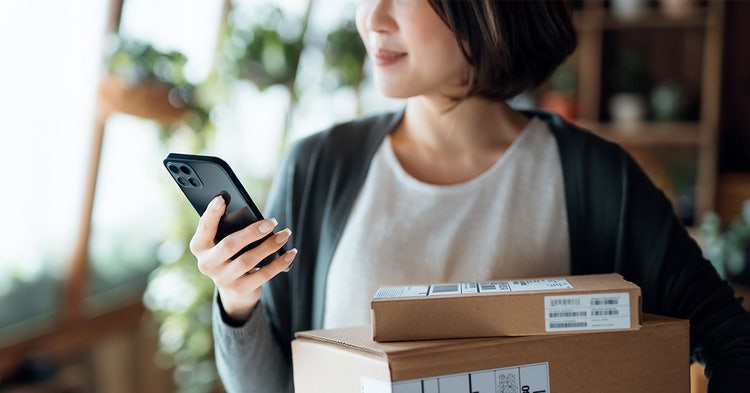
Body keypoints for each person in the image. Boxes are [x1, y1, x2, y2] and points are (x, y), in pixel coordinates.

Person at [188, 1, 750, 392]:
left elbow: (733, 343)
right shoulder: (319, 166)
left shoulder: (597, 178)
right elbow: (274, 386)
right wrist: (237, 300)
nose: (373, 17)